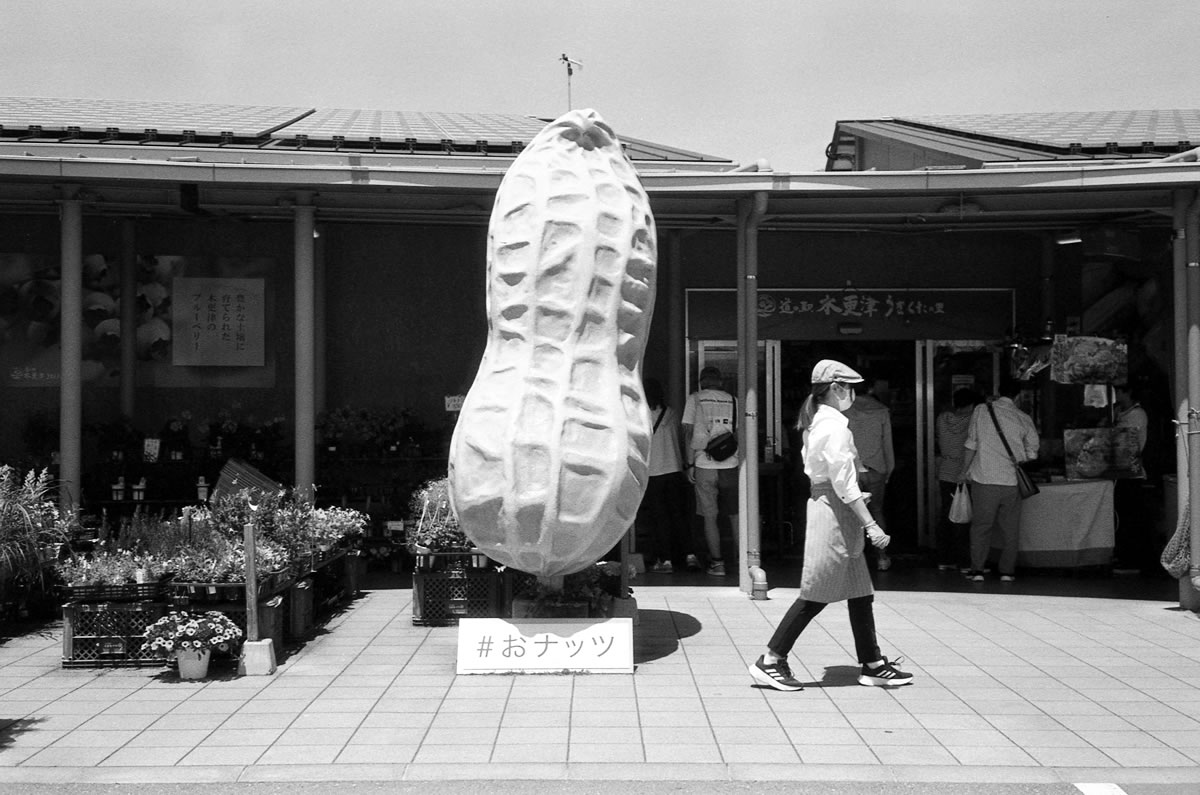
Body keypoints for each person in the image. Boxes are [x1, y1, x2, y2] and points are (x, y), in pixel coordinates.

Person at [748, 359, 913, 691]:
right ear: (836, 389)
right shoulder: (833, 427)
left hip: (834, 510)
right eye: (849, 388)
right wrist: (872, 526)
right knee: (816, 592)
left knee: (860, 593)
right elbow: (844, 484)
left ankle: (872, 663)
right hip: (834, 513)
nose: (853, 394)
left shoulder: (822, 423)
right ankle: (770, 659)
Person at [959, 378, 1039, 583]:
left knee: (981, 527)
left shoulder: (981, 411)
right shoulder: (1023, 418)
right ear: (1018, 395)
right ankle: (1007, 571)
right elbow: (1032, 452)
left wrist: (963, 471)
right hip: (1011, 482)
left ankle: (977, 570)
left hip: (984, 478)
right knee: (1010, 529)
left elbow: (971, 444)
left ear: (998, 391)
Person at [682, 365, 739, 577]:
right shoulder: (733, 400)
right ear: (721, 382)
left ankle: (718, 564)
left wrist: (689, 464)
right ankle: (745, 562)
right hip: (731, 465)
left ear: (701, 382)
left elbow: (688, 434)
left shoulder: (695, 399)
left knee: (709, 516)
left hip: (704, 463)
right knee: (736, 514)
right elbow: (741, 433)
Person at [638, 378, 689, 574]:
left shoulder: (643, 415)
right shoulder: (672, 413)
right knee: (678, 515)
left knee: (659, 518)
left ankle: (665, 559)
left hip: (654, 472)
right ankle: (687, 555)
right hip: (675, 469)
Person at [843, 377, 895, 571]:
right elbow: (887, 444)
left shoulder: (843, 410)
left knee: (850, 514)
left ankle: (851, 560)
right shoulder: (881, 411)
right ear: (871, 388)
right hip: (876, 468)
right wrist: (889, 469)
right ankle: (882, 557)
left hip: (850, 470)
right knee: (876, 511)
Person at [934, 388, 978, 571]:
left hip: (946, 471)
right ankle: (964, 561)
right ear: (971, 405)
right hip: (965, 474)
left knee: (947, 515)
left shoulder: (942, 418)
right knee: (964, 517)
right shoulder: (973, 420)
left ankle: (944, 558)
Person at [1112, 383, 1150, 573]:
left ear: (1126, 392)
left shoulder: (1137, 414)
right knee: (1122, 515)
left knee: (1130, 516)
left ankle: (1132, 560)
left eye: (1118, 391)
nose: (1115, 394)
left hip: (1131, 471)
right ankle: (1124, 556)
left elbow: (1126, 440)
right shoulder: (1119, 412)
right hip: (1120, 471)